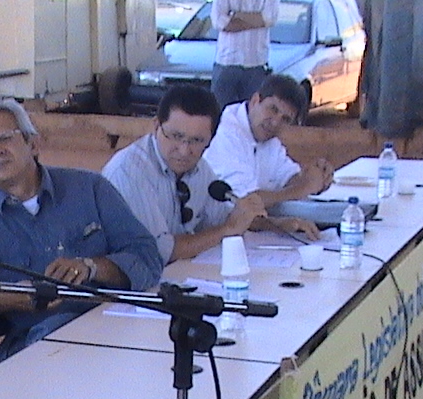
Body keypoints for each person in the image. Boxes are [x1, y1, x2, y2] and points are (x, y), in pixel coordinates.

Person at [0, 97, 163, 361]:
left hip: (114, 337)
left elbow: (148, 256)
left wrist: (92, 267)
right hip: (34, 353)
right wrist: (5, 299)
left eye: (5, 138)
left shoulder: (90, 189)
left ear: (33, 143)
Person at [102, 84, 275, 264]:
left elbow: (221, 220)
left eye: (197, 140)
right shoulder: (129, 171)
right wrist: (228, 228)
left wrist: (272, 223)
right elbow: (160, 250)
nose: (184, 151)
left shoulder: (201, 168)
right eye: (176, 136)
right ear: (156, 126)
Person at [203, 74, 334, 220]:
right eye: (273, 109)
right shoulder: (226, 133)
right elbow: (246, 201)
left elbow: (287, 177)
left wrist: (316, 177)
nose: (275, 122)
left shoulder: (266, 135)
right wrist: (304, 188)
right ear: (255, 101)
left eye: (285, 119)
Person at [210, 0, 279, 109]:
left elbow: (270, 18)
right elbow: (218, 21)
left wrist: (236, 15)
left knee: (253, 113)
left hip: (256, 63)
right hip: (226, 61)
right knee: (219, 112)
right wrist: (257, 20)